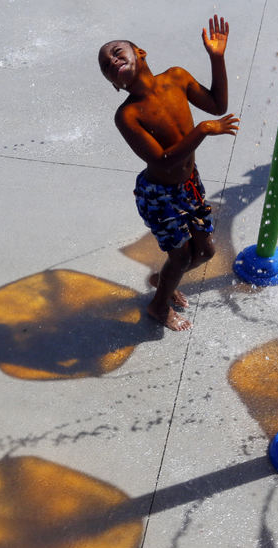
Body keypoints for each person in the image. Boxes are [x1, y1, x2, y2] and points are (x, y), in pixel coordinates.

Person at [98, 16, 238, 331]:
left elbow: (217, 105)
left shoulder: (176, 77)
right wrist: (202, 131)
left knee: (205, 251)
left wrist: (217, 59)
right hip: (158, 195)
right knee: (181, 257)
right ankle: (159, 306)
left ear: (141, 52)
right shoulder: (128, 115)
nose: (113, 61)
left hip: (189, 185)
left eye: (118, 52)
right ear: (114, 83)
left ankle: (162, 280)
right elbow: (162, 162)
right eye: (107, 66)